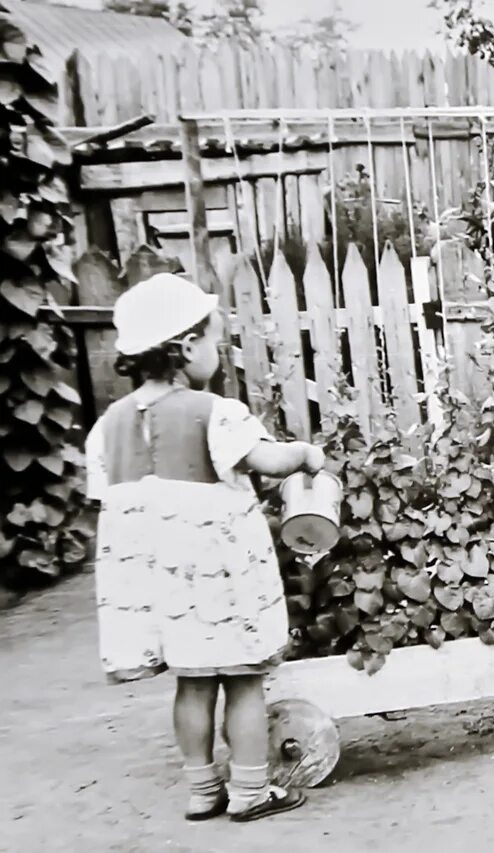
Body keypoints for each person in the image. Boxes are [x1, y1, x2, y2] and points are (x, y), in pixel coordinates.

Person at [85, 273, 325, 821]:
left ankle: (201, 789)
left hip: (161, 586)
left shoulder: (108, 426)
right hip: (216, 580)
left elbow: (111, 499)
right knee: (242, 680)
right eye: (213, 341)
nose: (214, 354)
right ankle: (249, 790)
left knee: (192, 683)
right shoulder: (213, 412)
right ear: (187, 345)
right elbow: (265, 460)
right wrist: (304, 455)